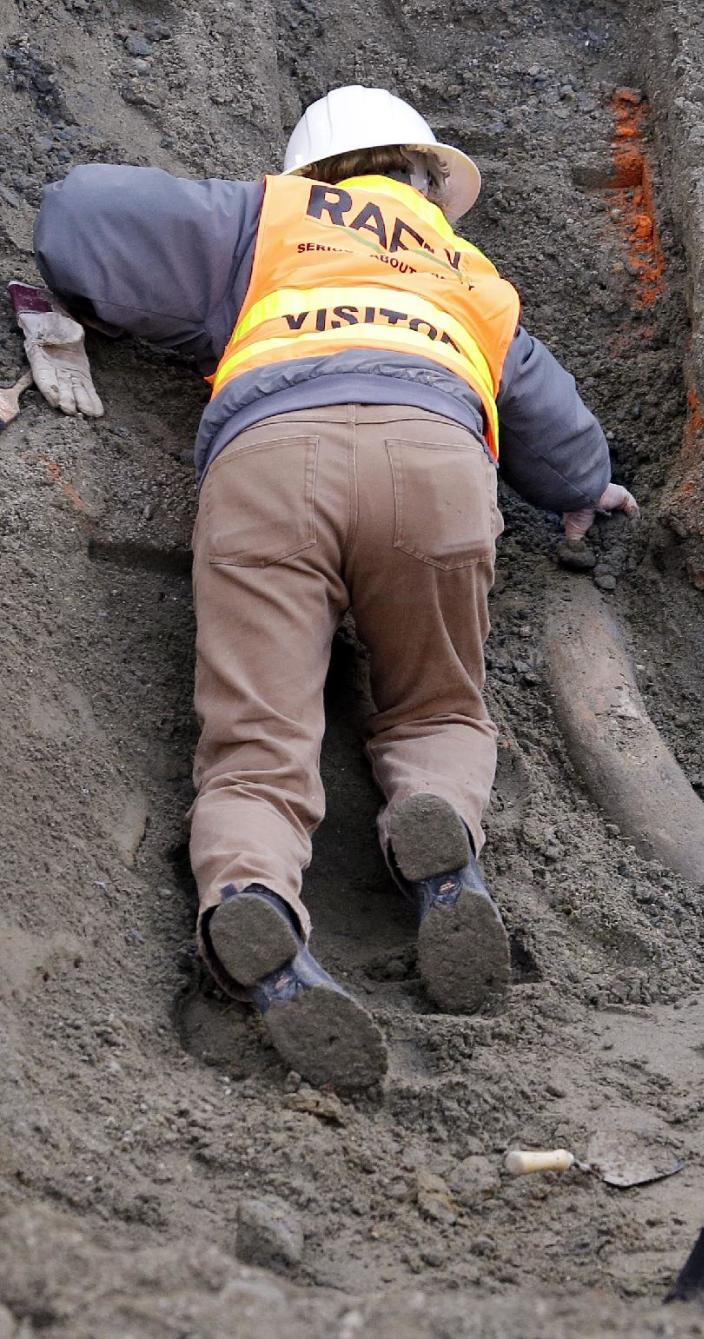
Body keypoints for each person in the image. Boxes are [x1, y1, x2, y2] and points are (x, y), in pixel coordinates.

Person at [31, 85, 637, 1091]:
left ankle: (254, 899)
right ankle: (439, 840)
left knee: (257, 751)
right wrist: (585, 494)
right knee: (437, 702)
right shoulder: (471, 276)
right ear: (425, 180)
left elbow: (82, 215)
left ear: (310, 171)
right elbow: (553, 421)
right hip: (437, 466)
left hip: (273, 459)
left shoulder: (264, 217)